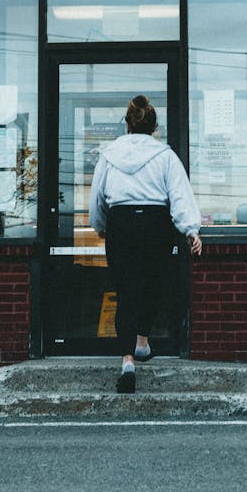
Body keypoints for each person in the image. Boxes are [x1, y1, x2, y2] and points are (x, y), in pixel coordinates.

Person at [89, 95, 202, 394]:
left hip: (121, 223)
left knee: (125, 290)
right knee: (152, 285)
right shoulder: (164, 155)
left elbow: (97, 197)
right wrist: (191, 230)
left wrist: (100, 225)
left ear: (127, 125)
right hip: (155, 224)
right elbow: (179, 195)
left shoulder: (109, 154)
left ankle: (128, 360)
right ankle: (142, 340)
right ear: (154, 128)